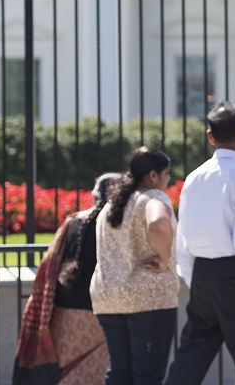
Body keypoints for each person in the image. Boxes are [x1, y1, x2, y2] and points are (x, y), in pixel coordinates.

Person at [164, 101, 235, 385]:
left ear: (210, 137)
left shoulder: (194, 177)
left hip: (203, 273)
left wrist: (193, 278)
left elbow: (184, 235)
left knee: (192, 353)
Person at [13, 172, 120, 385]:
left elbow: (52, 264)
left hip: (66, 311)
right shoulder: (118, 224)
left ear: (93, 195)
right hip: (104, 309)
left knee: (65, 373)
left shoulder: (73, 222)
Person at [91, 148, 178, 385]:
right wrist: (164, 257)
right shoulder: (153, 197)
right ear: (153, 175)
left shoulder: (111, 206)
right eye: (166, 174)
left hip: (109, 298)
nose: (168, 179)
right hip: (148, 299)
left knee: (120, 373)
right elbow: (159, 224)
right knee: (147, 377)